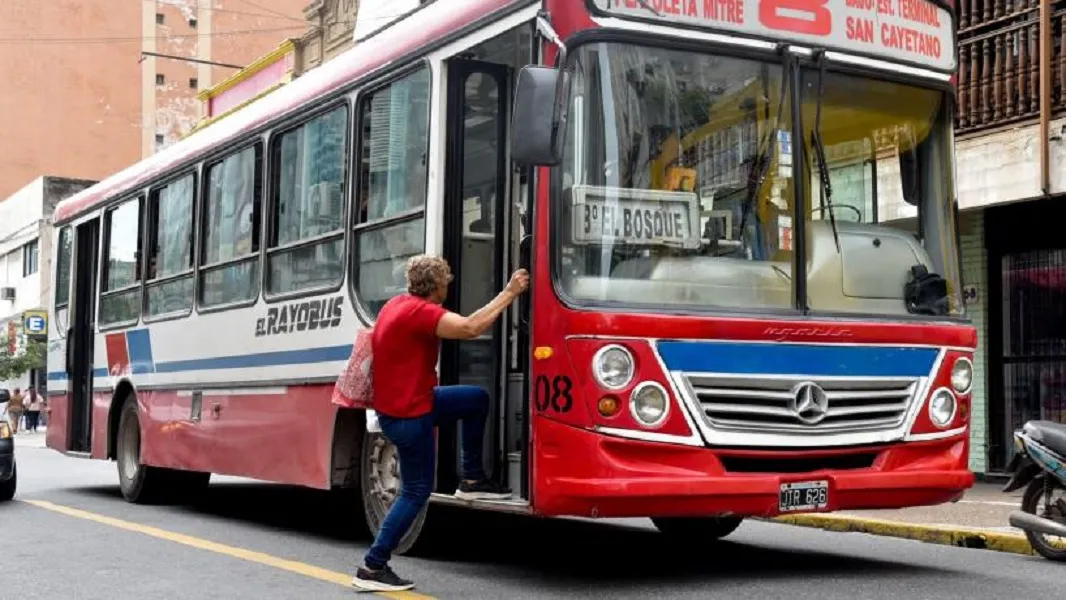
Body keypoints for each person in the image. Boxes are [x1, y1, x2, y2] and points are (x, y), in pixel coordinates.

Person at [351, 255, 529, 593]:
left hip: (409, 405)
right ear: (435, 286)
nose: (450, 282)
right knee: (415, 492)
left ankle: (472, 478)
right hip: (410, 415)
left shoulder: (396, 304)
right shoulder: (422, 313)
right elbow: (470, 328)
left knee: (475, 400)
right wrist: (510, 292)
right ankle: (373, 565)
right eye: (446, 278)